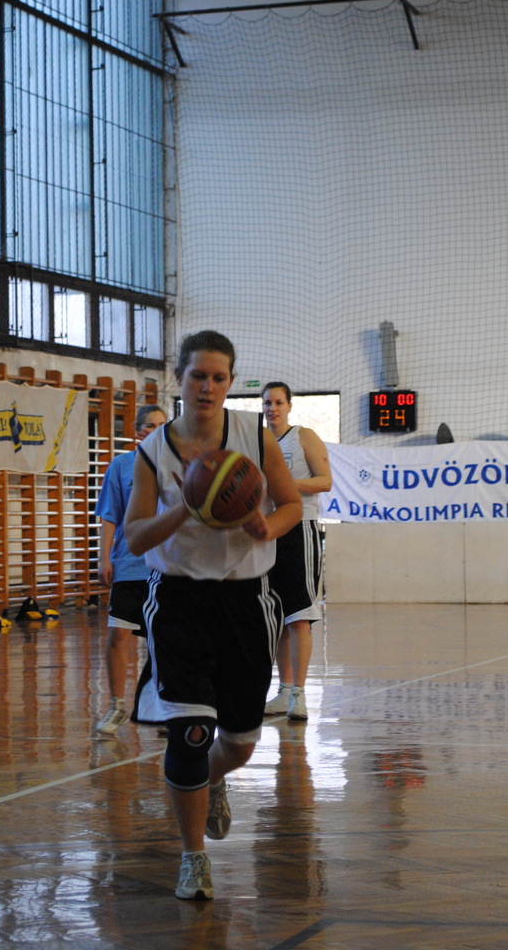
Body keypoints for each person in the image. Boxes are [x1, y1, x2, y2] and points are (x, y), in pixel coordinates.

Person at [125, 331, 302, 902]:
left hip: (246, 600)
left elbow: (292, 504)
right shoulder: (153, 452)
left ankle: (211, 780)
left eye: (218, 377)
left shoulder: (253, 435)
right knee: (191, 733)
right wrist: (186, 506)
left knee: (241, 741)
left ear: (229, 383)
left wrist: (266, 527)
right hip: (178, 603)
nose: (207, 386)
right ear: (179, 378)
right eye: (198, 375)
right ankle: (193, 857)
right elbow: (134, 538)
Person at [94, 403, 167, 734]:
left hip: (163, 567)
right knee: (118, 636)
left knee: (162, 642)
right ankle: (116, 706)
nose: (157, 431)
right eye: (150, 425)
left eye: (163, 425)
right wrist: (104, 558)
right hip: (129, 564)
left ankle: (162, 706)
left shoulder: (178, 466)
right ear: (138, 432)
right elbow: (110, 515)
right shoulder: (121, 466)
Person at [261, 382, 332, 720]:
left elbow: (324, 481)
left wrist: (285, 484)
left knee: (299, 617)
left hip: (300, 529)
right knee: (277, 618)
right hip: (268, 530)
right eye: (267, 403)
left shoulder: (303, 437)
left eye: (278, 402)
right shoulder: (258, 442)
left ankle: (300, 694)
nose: (272, 408)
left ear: (289, 406)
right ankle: (284, 691)